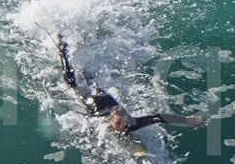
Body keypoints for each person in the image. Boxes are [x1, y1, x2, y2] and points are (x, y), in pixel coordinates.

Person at [55, 36, 198, 134]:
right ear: (111, 121)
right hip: (94, 101)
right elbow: (78, 115)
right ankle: (63, 52)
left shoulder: (131, 123)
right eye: (119, 124)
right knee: (72, 84)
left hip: (106, 98)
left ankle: (85, 73)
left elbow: (160, 117)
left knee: (91, 81)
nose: (123, 127)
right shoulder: (99, 120)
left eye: (123, 123)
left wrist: (187, 120)